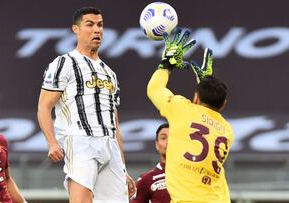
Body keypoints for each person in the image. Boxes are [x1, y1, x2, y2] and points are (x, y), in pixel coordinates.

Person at [37, 6, 136, 203]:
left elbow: (115, 124)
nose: (96, 30)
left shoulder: (110, 73)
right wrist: (52, 142)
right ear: (76, 29)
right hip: (81, 141)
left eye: (100, 25)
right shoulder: (64, 63)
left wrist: (123, 168)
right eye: (89, 25)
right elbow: (43, 107)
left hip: (110, 145)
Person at [146, 29, 234, 203]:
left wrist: (167, 63)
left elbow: (154, 89)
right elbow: (204, 115)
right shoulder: (227, 131)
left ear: (195, 98)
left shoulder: (181, 110)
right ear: (223, 104)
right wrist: (205, 84)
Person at [131, 123, 171, 203]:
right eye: (163, 138)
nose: (168, 142)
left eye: (173, 138)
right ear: (157, 144)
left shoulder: (193, 174)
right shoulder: (145, 179)